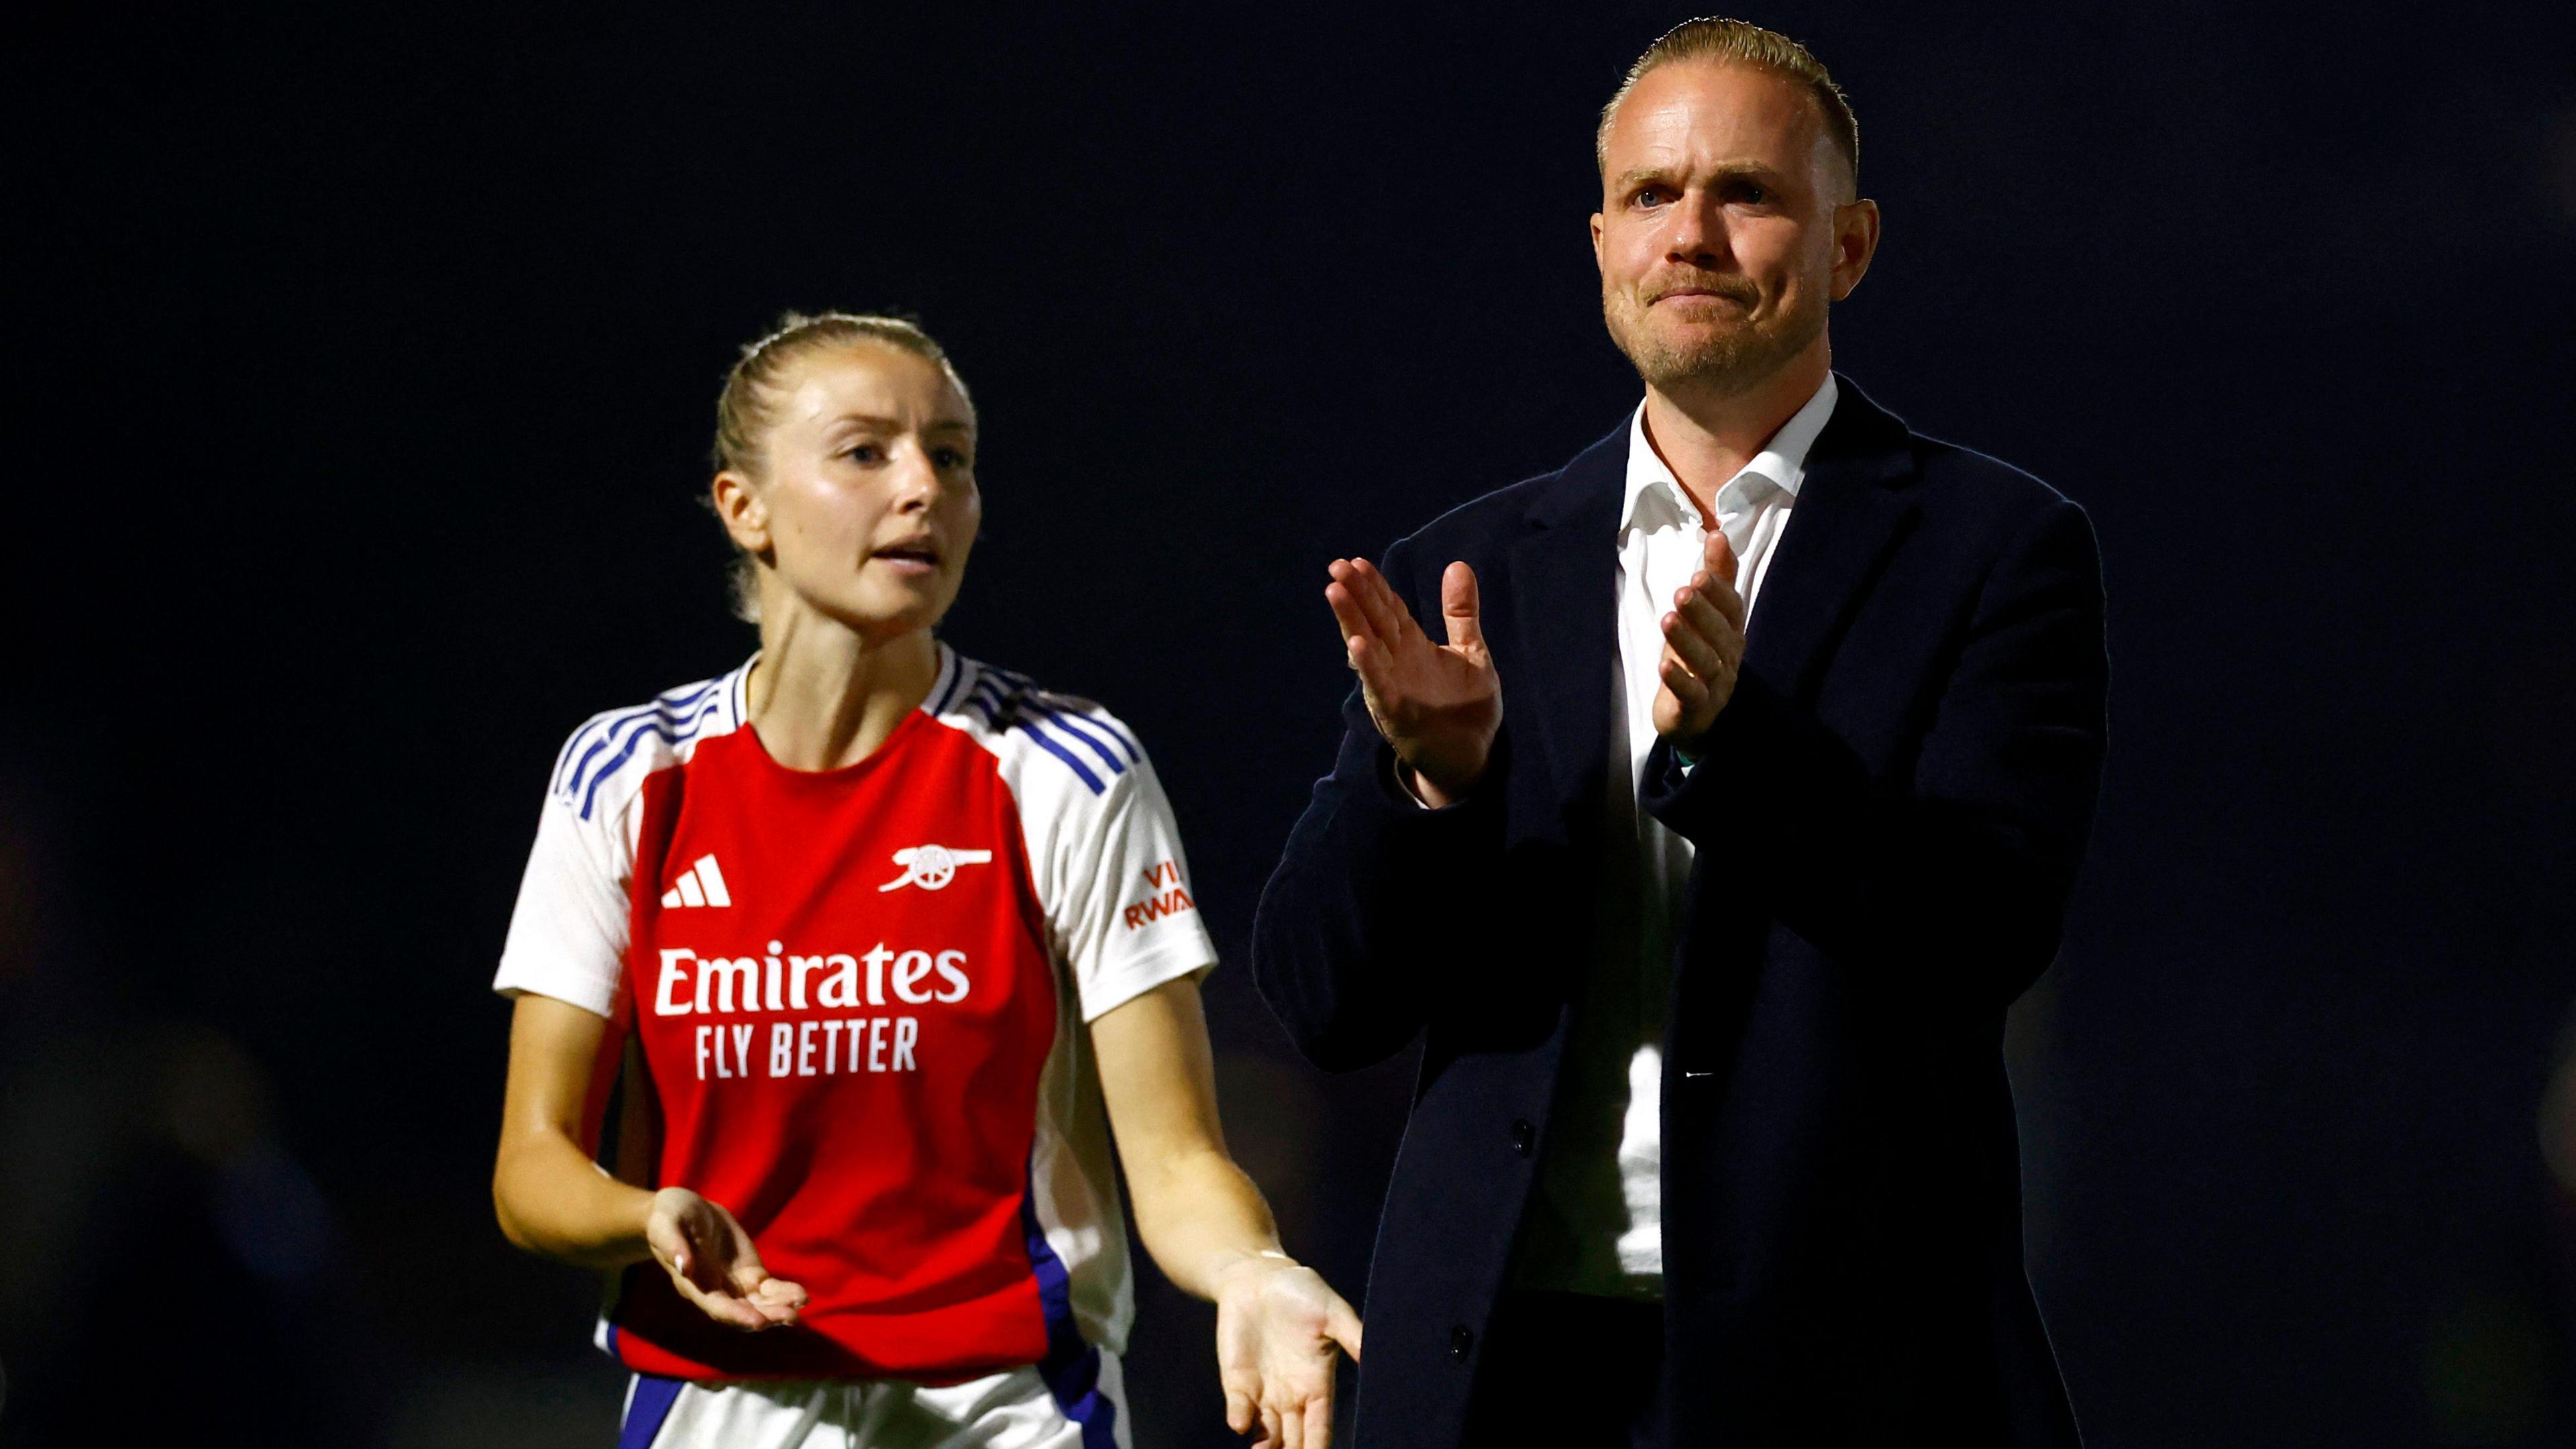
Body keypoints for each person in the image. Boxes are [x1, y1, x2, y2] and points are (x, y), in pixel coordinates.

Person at [1252, 18, 2106, 1449]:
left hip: (1844, 1372)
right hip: (1502, 1372)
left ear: (1850, 246)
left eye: (1747, 194)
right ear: (1601, 244)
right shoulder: (1472, 565)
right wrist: (1430, 784)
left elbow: (1986, 929)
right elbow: (1323, 998)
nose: (1692, 235)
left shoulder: (1997, 549)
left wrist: (1739, 744)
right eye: (1652, 196)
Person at [491, 313, 1360, 1449]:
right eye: (866, 452)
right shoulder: (626, 776)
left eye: (950, 457)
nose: (924, 489)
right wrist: (644, 1214)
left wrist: (1252, 1269)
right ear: (742, 508)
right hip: (716, 1405)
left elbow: (1178, 1155)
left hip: (1004, 1409)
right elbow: (532, 1168)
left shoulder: (1065, 768)